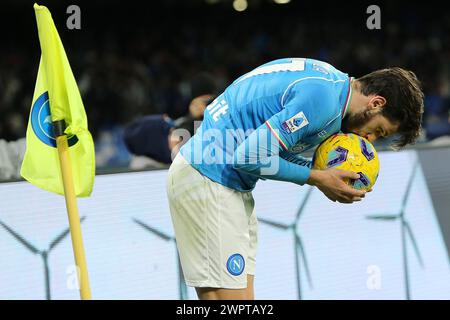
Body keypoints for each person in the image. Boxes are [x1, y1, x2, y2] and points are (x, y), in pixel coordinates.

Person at [166, 58, 424, 300]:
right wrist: (317, 178)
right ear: (376, 103)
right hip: (209, 179)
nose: (370, 140)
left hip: (224, 183)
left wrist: (323, 175)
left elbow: (256, 152)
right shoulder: (321, 100)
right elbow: (247, 157)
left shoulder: (330, 84)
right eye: (378, 130)